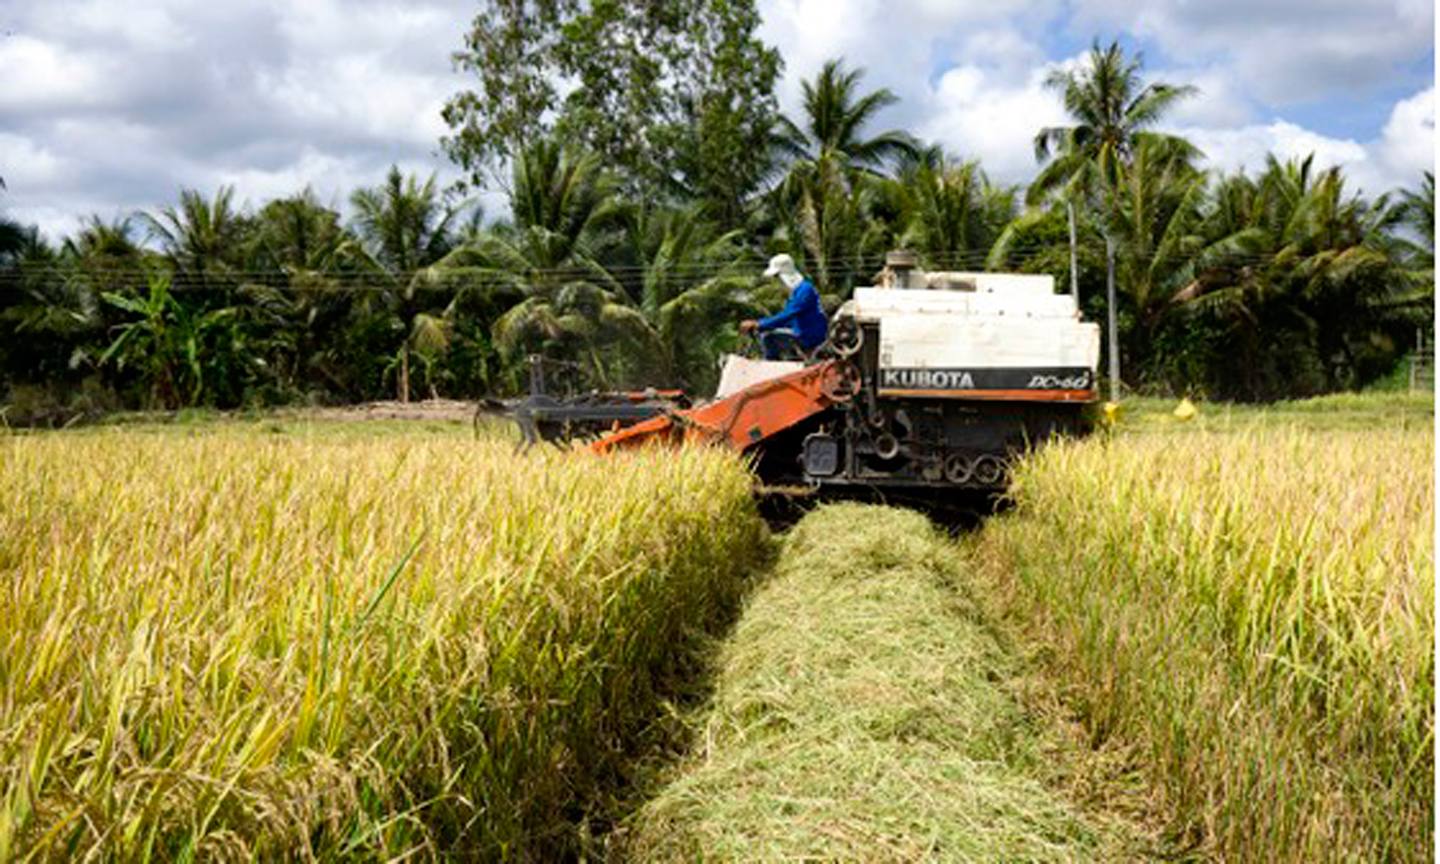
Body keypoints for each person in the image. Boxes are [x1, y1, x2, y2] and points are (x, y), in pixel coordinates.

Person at [740, 253, 828, 360]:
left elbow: (789, 315)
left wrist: (759, 324)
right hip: (802, 331)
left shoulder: (805, 290)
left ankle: (771, 367)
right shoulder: (797, 291)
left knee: (768, 338)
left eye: (777, 276)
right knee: (767, 333)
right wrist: (763, 325)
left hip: (810, 335)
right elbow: (788, 319)